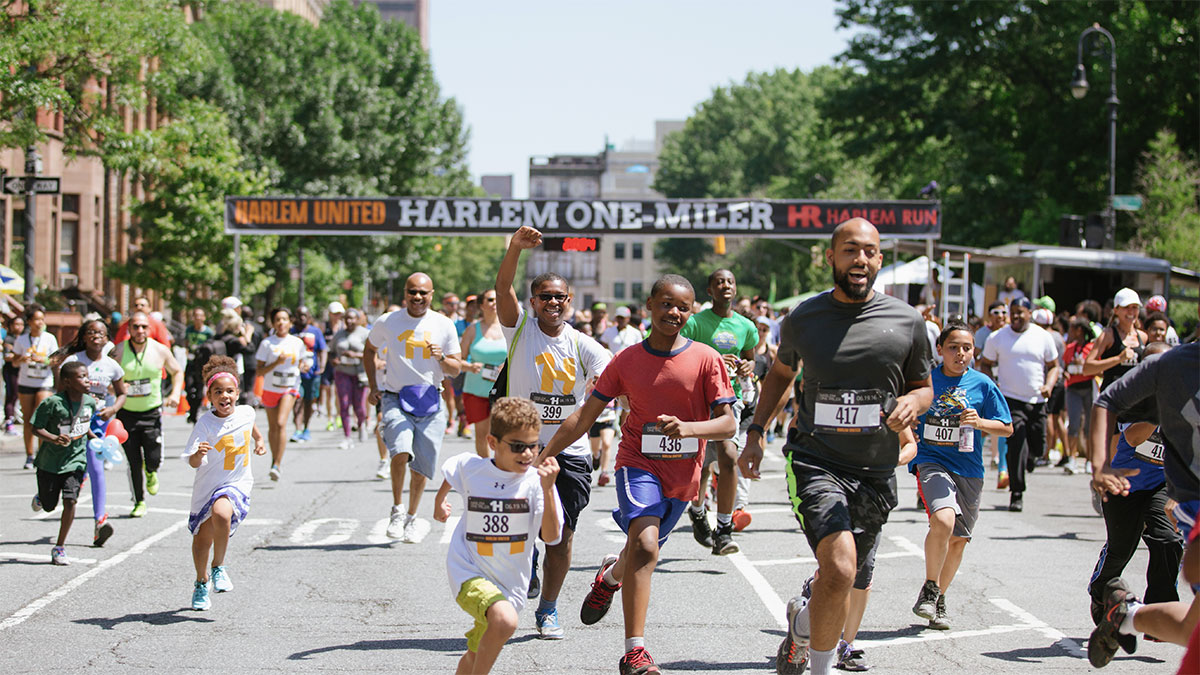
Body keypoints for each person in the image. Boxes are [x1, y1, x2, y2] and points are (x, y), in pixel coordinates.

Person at [738, 218, 933, 675]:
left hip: (875, 470)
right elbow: (781, 377)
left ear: (880, 258)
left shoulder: (907, 322)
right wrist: (755, 431)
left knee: (840, 579)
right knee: (841, 569)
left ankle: (802, 626)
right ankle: (820, 666)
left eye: (868, 251)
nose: (859, 260)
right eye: (849, 250)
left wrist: (912, 402)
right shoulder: (804, 318)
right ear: (831, 257)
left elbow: (923, 387)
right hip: (815, 460)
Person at [549, 274, 736, 674]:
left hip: (683, 474)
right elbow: (584, 416)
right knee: (647, 547)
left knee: (640, 551)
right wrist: (543, 458)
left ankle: (610, 577)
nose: (674, 312)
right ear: (648, 306)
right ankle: (635, 652)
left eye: (683, 307)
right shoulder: (627, 361)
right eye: (666, 304)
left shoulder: (706, 358)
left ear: (691, 312)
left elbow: (728, 425)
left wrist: (690, 428)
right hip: (638, 462)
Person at [494, 226, 612, 640]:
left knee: (560, 537)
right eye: (545, 296)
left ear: (569, 302)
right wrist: (514, 248)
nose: (553, 303)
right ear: (533, 302)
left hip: (570, 454)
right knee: (518, 530)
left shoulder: (586, 345)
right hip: (520, 450)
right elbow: (502, 285)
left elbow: (609, 383)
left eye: (560, 297)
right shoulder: (519, 331)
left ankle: (547, 609)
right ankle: (526, 572)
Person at [1086, 332, 1199, 666]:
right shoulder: (1172, 366)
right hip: (1134, 485)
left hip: (1164, 489)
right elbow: (1107, 402)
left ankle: (1126, 615)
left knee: (1191, 626)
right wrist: (1100, 465)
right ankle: (1105, 594)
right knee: (1122, 546)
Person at [433, 397, 563, 675]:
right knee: (504, 621)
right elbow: (453, 470)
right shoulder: (473, 469)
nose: (528, 454)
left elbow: (551, 537)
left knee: (473, 656)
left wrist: (549, 489)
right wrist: (440, 500)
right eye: (518, 446)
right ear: (493, 443)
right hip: (468, 571)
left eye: (533, 446)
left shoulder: (537, 484)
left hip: (511, 585)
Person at [910, 322, 1012, 632]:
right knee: (943, 520)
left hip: (969, 468)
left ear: (974, 351)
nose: (960, 353)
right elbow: (909, 412)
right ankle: (929, 588)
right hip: (931, 460)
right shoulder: (926, 381)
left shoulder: (983, 384)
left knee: (958, 541)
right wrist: (911, 423)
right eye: (953, 347)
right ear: (939, 350)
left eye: (966, 348)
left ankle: (938, 598)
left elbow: (1006, 427)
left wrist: (980, 422)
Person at [364, 273, 462, 543]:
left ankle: (411, 517)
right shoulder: (388, 321)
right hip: (395, 397)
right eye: (412, 292)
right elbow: (369, 350)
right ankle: (396, 509)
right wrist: (374, 385)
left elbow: (455, 368)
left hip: (431, 400)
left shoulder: (444, 325)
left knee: (420, 467)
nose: (417, 297)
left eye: (423, 293)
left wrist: (441, 357)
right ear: (405, 293)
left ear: (431, 295)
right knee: (400, 451)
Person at [681, 268, 759, 554]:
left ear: (735, 289)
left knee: (728, 457)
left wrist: (750, 366)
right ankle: (698, 510)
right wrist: (712, 360)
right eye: (718, 282)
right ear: (710, 291)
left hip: (729, 401)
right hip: (698, 401)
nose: (725, 285)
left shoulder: (745, 326)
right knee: (700, 465)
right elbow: (680, 354)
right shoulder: (695, 323)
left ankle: (724, 529)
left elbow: (752, 359)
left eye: (730, 281)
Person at [182, 356, 266, 611]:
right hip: (208, 485)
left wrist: (260, 441)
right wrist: (199, 454)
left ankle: (218, 566)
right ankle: (200, 581)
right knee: (202, 540)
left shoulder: (247, 412)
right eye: (218, 392)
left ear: (237, 393)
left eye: (229, 391)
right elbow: (193, 462)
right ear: (209, 396)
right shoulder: (205, 423)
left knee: (222, 512)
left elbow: (251, 427)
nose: (225, 396)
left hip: (236, 482)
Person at [978, 297, 1060, 512]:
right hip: (1010, 399)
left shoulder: (1042, 337)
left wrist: (1049, 385)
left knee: (1038, 446)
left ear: (1029, 313)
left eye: (1020, 312)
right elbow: (985, 364)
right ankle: (1016, 492)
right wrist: (992, 386)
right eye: (1012, 312)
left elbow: (1054, 366)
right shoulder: (997, 338)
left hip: (1037, 399)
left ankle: (1030, 459)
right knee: (1017, 444)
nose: (1015, 316)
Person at [56, 319, 127, 546]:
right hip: (72, 422)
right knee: (63, 465)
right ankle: (45, 493)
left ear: (107, 339)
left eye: (101, 333)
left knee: (96, 468)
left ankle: (99, 523)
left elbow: (122, 393)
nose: (96, 336)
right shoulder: (73, 361)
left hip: (97, 424)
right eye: (91, 332)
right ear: (84, 337)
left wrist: (113, 409)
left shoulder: (112, 366)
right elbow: (59, 393)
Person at [112, 312, 184, 516]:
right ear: (129, 329)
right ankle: (139, 501)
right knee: (133, 461)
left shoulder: (160, 350)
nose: (140, 331)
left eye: (144, 327)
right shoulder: (118, 351)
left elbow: (177, 371)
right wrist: (116, 388)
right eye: (136, 327)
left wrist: (175, 393)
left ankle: (151, 471)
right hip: (126, 413)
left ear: (149, 329)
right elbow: (107, 376)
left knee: (152, 458)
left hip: (151, 412)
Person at [29, 361, 99, 565]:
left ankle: (59, 547)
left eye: (87, 376)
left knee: (70, 500)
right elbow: (35, 427)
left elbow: (83, 425)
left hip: (75, 460)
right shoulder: (52, 403)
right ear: (67, 382)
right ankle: (42, 497)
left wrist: (95, 438)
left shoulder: (90, 402)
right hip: (49, 462)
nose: (87, 380)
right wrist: (52, 438)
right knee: (49, 506)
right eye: (81, 377)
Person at [255, 307, 309, 482]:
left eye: (284, 319)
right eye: (277, 319)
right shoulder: (267, 343)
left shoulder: (296, 342)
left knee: (280, 423)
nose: (281, 323)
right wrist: (277, 362)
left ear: (290, 322)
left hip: (290, 387)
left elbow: (302, 362)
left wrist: (304, 366)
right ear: (273, 323)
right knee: (273, 427)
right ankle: (273, 459)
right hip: (271, 388)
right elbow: (260, 371)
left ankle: (277, 464)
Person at [459, 290, 507, 458]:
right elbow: (458, 360)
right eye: (490, 299)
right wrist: (470, 366)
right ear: (481, 305)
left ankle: (502, 470)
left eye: (497, 299)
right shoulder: (472, 330)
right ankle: (486, 471)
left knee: (503, 436)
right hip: (476, 390)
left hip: (503, 392)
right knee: (482, 435)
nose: (495, 303)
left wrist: (507, 366)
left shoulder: (509, 329)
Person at [11, 306, 58, 469]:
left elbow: (55, 360)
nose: (40, 323)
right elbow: (15, 361)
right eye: (36, 319)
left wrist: (43, 360)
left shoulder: (49, 338)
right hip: (26, 382)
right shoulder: (22, 340)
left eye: (42, 319)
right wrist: (22, 359)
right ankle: (29, 455)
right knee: (28, 420)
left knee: (41, 418)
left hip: (44, 382)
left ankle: (41, 453)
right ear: (29, 322)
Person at [1085, 288, 1147, 395]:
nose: (1131, 312)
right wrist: (1119, 359)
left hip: (1135, 399)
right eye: (1126, 307)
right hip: (1112, 398)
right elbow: (1087, 368)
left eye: (1134, 307)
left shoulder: (1143, 336)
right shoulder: (1108, 335)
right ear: (1116, 310)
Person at [329, 308, 371, 450]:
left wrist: (356, 355)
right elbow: (331, 352)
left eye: (353, 318)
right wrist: (333, 360)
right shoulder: (339, 334)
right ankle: (347, 436)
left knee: (359, 406)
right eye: (347, 318)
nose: (349, 321)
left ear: (358, 319)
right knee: (344, 404)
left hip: (360, 374)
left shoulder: (365, 334)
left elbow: (372, 354)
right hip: (342, 372)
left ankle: (361, 424)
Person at [1062, 317, 1097, 474]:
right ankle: (1072, 458)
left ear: (1079, 330)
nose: (1070, 332)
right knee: (1074, 424)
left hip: (1088, 387)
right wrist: (1065, 372)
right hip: (1073, 388)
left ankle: (1090, 460)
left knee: (1090, 425)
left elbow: (1097, 367)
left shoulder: (1092, 348)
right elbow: (1064, 366)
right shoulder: (1070, 348)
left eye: (1073, 329)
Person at [290, 306, 328, 443]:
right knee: (297, 399)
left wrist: (322, 366)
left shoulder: (315, 332)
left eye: (305, 315)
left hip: (312, 373)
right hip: (295, 373)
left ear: (309, 317)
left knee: (308, 400)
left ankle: (306, 428)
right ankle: (298, 428)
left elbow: (323, 349)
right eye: (299, 315)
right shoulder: (291, 332)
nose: (302, 318)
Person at [321, 301, 345, 430]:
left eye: (339, 314)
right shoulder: (324, 327)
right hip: (327, 364)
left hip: (339, 363)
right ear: (330, 314)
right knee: (328, 391)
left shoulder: (343, 326)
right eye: (335, 314)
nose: (337, 316)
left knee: (338, 392)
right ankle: (329, 417)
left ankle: (338, 416)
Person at [3, 313, 25, 434]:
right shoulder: (9, 339)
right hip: (10, 370)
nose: (18, 327)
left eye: (21, 324)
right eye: (16, 324)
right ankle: (9, 420)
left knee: (18, 395)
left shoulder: (25, 338)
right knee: (12, 394)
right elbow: (8, 356)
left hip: (23, 370)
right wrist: (20, 357)